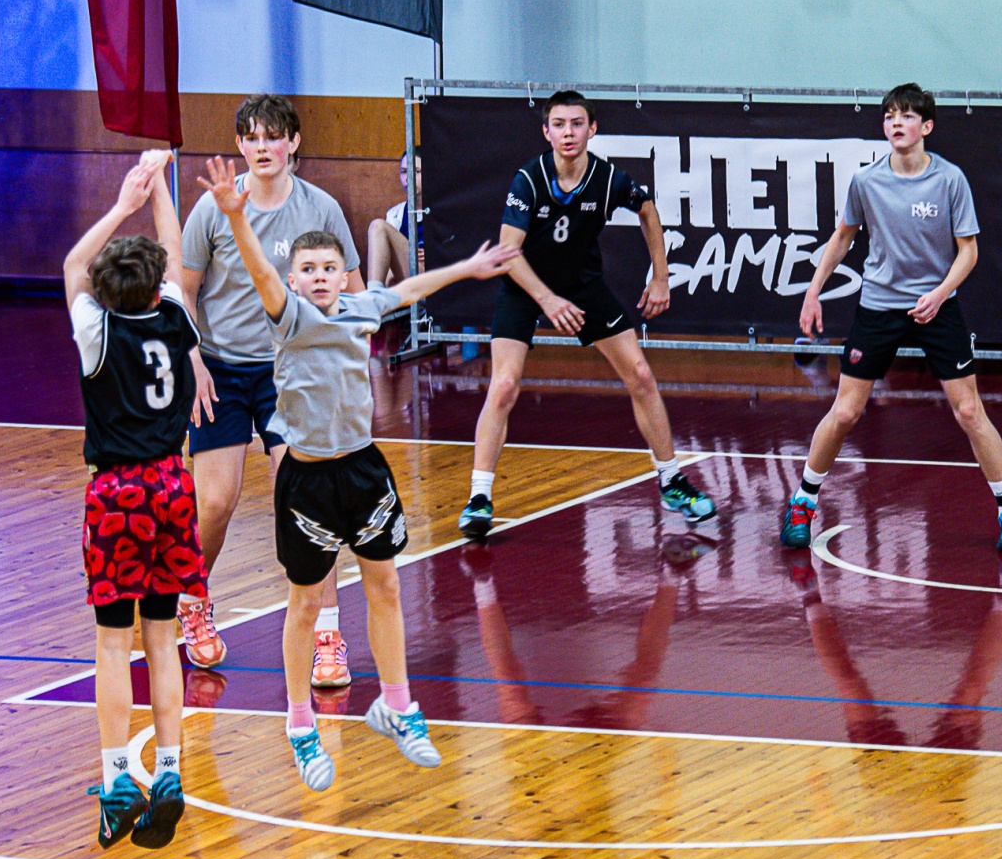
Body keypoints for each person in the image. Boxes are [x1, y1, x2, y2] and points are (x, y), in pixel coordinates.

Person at [197, 155, 518, 790]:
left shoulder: (360, 306)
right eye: (308, 270)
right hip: (307, 482)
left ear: (341, 274)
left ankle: (397, 705)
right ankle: (300, 724)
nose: (319, 277)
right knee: (304, 603)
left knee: (387, 587)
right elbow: (258, 269)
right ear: (293, 280)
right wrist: (235, 220)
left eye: (328, 268)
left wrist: (468, 268)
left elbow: (410, 289)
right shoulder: (288, 315)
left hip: (364, 471)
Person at [781, 83, 1002, 553]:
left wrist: (940, 293)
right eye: (890, 116)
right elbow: (842, 238)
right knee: (846, 411)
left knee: (969, 410)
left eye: (907, 116)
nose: (896, 123)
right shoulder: (866, 181)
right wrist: (813, 291)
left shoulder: (950, 180)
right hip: (879, 305)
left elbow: (968, 251)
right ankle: (802, 503)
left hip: (936, 306)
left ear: (927, 126)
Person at [458, 90, 716, 540]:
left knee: (641, 375)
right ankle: (479, 498)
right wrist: (547, 300)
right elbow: (508, 253)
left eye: (577, 124)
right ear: (546, 132)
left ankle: (671, 480)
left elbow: (647, 210)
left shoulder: (607, 177)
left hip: (582, 284)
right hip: (525, 286)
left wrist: (661, 276)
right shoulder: (529, 180)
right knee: (504, 385)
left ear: (592, 130)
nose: (568, 133)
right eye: (559, 124)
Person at [177, 95, 362, 691]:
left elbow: (353, 292)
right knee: (217, 501)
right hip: (221, 369)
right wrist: (192, 362)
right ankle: (192, 599)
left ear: (293, 143)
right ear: (240, 146)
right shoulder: (213, 209)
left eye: (272, 136)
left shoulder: (320, 209)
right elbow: (182, 292)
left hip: (290, 372)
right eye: (251, 138)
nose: (262, 147)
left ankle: (328, 637)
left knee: (307, 502)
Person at [64, 150, 205, 850]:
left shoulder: (97, 329)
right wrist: (159, 190)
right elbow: (174, 254)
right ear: (156, 289)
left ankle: (118, 776)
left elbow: (72, 266)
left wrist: (122, 203)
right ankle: (170, 771)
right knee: (163, 637)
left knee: (111, 643)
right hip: (173, 486)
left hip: (117, 491)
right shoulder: (174, 317)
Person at [367, 155, 417, 290]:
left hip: (437, 275)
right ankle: (375, 295)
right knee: (377, 226)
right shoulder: (395, 214)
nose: (408, 178)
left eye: (417, 171)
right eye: (404, 172)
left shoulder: (441, 211)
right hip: (408, 277)